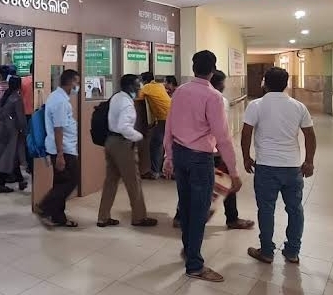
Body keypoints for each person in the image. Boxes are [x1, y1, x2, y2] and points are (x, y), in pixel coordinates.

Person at [164, 50, 241, 282]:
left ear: (193, 66)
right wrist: (234, 171)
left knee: (186, 207)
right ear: (213, 69)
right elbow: (223, 137)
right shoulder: (213, 97)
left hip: (180, 155)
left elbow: (169, 125)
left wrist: (168, 157)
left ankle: (189, 250)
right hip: (200, 159)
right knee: (198, 212)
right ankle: (195, 265)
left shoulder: (180, 92)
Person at [242, 67, 316, 265]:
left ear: (264, 82)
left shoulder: (255, 105)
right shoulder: (298, 106)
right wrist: (309, 161)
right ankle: (292, 252)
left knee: (266, 209)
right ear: (286, 83)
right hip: (292, 167)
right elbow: (309, 135)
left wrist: (246, 158)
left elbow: (246, 133)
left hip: (266, 166)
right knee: (295, 209)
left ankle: (266, 251)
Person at [99, 74, 156, 228]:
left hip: (110, 142)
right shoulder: (127, 103)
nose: (140, 88)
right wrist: (139, 136)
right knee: (133, 181)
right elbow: (124, 127)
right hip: (123, 144)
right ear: (130, 86)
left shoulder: (116, 97)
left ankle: (103, 217)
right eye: (138, 85)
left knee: (110, 181)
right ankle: (139, 217)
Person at [211, 70, 255, 231]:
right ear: (219, 83)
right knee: (228, 181)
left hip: (196, 149)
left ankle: (180, 216)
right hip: (215, 149)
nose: (225, 85)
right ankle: (232, 218)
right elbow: (220, 130)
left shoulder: (192, 95)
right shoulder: (219, 100)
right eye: (223, 82)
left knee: (193, 183)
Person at [39, 69, 81, 227]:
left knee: (60, 182)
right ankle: (45, 206)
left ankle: (58, 217)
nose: (78, 85)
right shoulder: (61, 102)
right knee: (71, 180)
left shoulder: (57, 97)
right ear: (70, 82)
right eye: (76, 82)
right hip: (64, 149)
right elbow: (58, 129)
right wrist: (61, 155)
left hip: (62, 147)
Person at [0, 76, 28, 193]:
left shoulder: (5, 96)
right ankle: (1, 184)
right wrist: (25, 130)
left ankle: (20, 180)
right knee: (7, 157)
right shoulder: (16, 98)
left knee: (12, 156)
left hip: (1, 130)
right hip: (11, 131)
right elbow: (20, 118)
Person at [138, 72, 171, 180]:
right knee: (161, 143)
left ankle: (155, 172)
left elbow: (138, 97)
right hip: (170, 116)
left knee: (156, 144)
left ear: (144, 81)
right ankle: (161, 170)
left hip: (164, 118)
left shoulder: (147, 87)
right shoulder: (159, 86)